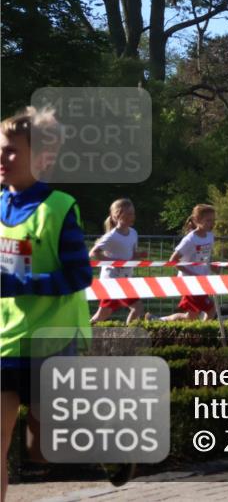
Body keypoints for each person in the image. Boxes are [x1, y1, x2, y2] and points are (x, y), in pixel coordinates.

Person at [1, 107, 133, 497]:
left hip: (50, 340)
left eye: (11, 151)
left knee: (42, 449)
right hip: (5, 339)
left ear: (42, 157)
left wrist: (17, 283)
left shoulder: (60, 208)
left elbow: (79, 276)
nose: (1, 158)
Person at [89, 198, 143, 325]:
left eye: (133, 213)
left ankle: (128, 336)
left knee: (138, 308)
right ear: (118, 215)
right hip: (112, 281)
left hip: (126, 279)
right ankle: (82, 335)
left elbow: (133, 254)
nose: (133, 216)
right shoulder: (111, 236)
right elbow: (93, 253)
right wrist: (115, 262)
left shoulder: (134, 233)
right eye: (129, 214)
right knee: (103, 314)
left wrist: (138, 256)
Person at [158, 205, 217, 322]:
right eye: (208, 220)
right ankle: (204, 333)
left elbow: (206, 256)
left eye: (213, 220)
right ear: (197, 221)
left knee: (191, 316)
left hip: (202, 281)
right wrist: (191, 273)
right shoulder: (190, 239)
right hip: (189, 282)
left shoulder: (210, 236)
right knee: (210, 310)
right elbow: (173, 260)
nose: (212, 223)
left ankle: (158, 320)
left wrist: (212, 266)